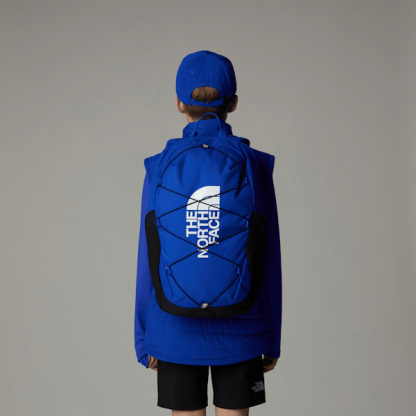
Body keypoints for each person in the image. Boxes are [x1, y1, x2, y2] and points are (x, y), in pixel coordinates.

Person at [134, 50, 282, 416]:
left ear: (178, 103)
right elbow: (269, 257)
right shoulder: (255, 166)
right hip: (243, 326)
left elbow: (148, 255)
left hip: (173, 326)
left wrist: (145, 336)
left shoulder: (159, 167)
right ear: (233, 103)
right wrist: (271, 338)